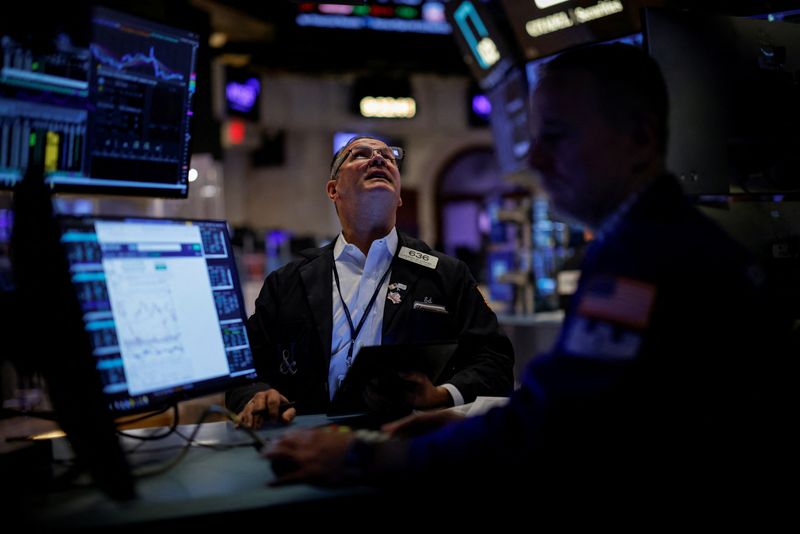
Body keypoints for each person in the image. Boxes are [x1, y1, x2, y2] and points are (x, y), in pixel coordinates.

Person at [263, 44, 792, 502]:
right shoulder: (658, 240)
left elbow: (553, 430)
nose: (535, 160)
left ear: (639, 137)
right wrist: (463, 423)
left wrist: (364, 459)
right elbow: (578, 412)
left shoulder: (644, 259)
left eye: (556, 136)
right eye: (534, 138)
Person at [227, 135, 515, 427]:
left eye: (389, 157)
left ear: (399, 195)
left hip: (408, 447)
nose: (379, 158)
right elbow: (242, 369)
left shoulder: (445, 274)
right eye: (360, 154)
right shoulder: (287, 282)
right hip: (308, 443)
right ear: (333, 189)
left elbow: (495, 362)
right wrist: (258, 395)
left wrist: (441, 395)